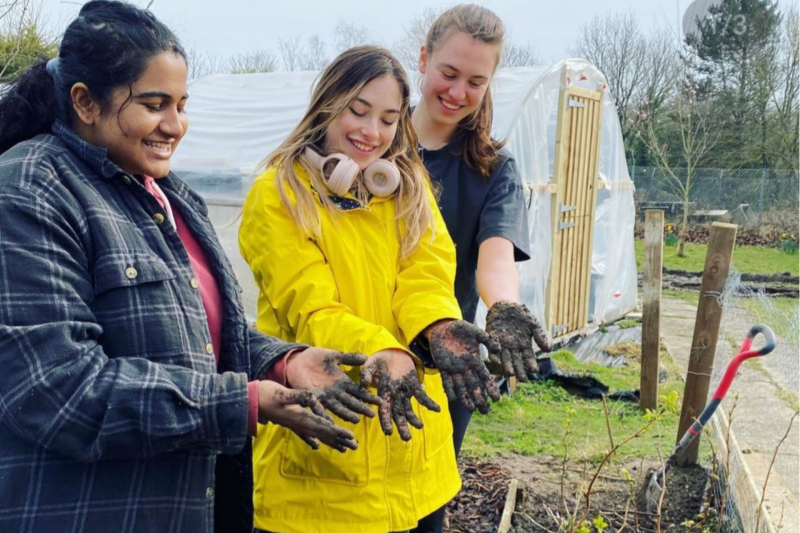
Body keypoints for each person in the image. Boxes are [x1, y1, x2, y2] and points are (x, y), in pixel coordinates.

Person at [0, 2, 378, 532]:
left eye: (182, 104)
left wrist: (282, 364)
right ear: (85, 102)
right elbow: (57, 389)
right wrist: (239, 403)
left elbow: (198, 339)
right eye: (154, 104)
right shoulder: (30, 189)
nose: (175, 125)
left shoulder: (172, 197)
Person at [239, 45, 504, 533]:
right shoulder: (278, 193)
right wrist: (382, 349)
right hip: (324, 463)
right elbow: (311, 306)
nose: (371, 133)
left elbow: (425, 275)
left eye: (387, 119)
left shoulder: (408, 188)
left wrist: (439, 325)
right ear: (326, 105)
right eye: (357, 111)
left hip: (415, 457)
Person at [410, 5, 553, 532]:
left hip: (448, 360)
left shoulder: (492, 167)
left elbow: (495, 258)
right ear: (423, 59)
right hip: (365, 351)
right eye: (448, 73)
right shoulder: (376, 141)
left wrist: (505, 306)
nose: (457, 92)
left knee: (424, 512)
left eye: (476, 80)